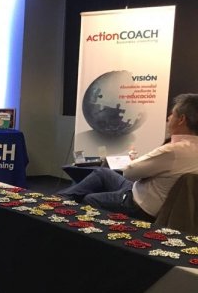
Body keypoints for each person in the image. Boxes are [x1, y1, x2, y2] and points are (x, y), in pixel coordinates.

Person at [59, 93, 198, 219]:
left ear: (181, 119)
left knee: (89, 199)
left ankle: (62, 208)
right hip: (144, 193)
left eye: (172, 114)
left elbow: (129, 173)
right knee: (102, 173)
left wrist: (136, 163)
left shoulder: (173, 151)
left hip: (139, 204)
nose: (168, 118)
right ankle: (60, 199)